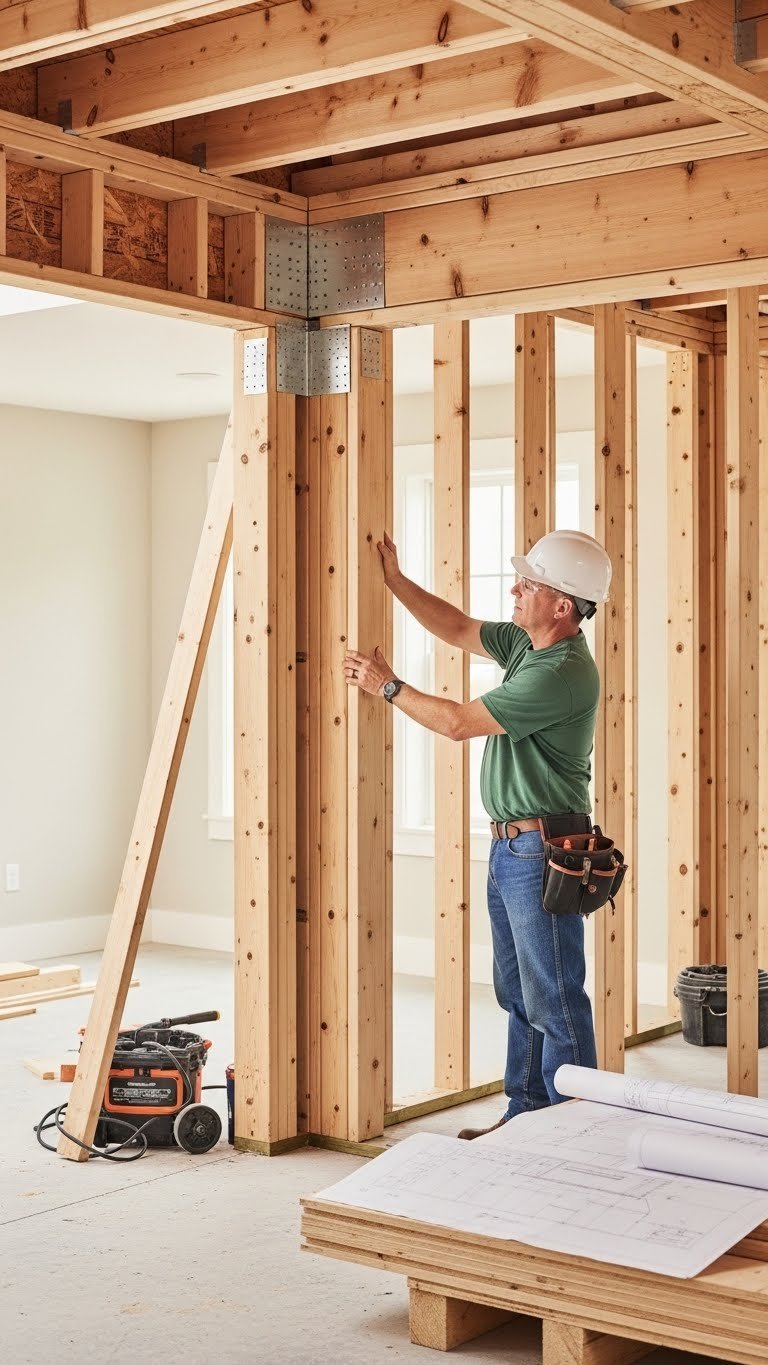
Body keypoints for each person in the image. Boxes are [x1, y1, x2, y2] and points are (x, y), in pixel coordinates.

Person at [343, 528, 612, 1138]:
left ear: (562, 605)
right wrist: (395, 581)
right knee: (517, 991)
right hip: (513, 848)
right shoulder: (526, 646)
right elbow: (460, 627)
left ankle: (575, 1134)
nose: (515, 590)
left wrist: (388, 686)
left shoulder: (562, 672)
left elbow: (460, 724)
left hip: (542, 850)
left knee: (553, 996)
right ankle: (526, 1119)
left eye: (529, 584)